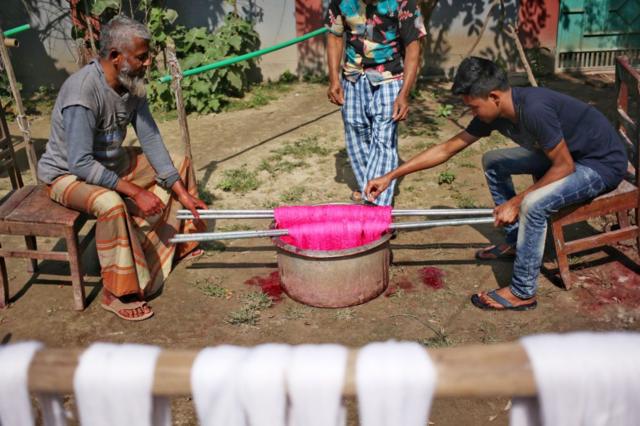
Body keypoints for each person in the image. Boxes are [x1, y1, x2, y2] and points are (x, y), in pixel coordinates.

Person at [365, 57, 628, 310]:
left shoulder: (535, 109)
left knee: (533, 205)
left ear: (494, 96)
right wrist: (391, 176)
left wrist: (516, 202)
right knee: (494, 161)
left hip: (599, 165)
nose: (472, 112)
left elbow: (564, 166)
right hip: (566, 156)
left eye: (474, 106)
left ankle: (523, 292)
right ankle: (517, 240)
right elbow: (447, 148)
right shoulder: (493, 112)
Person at [37, 15, 207, 321]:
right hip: (67, 175)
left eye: (148, 55)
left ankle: (182, 242)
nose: (149, 62)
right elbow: (80, 162)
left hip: (109, 162)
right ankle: (117, 292)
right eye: (142, 57)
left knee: (179, 165)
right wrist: (134, 193)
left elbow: (151, 139)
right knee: (112, 204)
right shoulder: (82, 93)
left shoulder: (132, 85)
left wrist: (181, 192)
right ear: (116, 57)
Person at [325, 0, 426, 205]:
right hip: (352, 76)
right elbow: (334, 37)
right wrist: (334, 79)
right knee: (356, 132)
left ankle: (377, 207)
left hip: (389, 77)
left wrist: (404, 94)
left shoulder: (404, 3)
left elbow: (413, 49)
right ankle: (368, 187)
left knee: (383, 138)